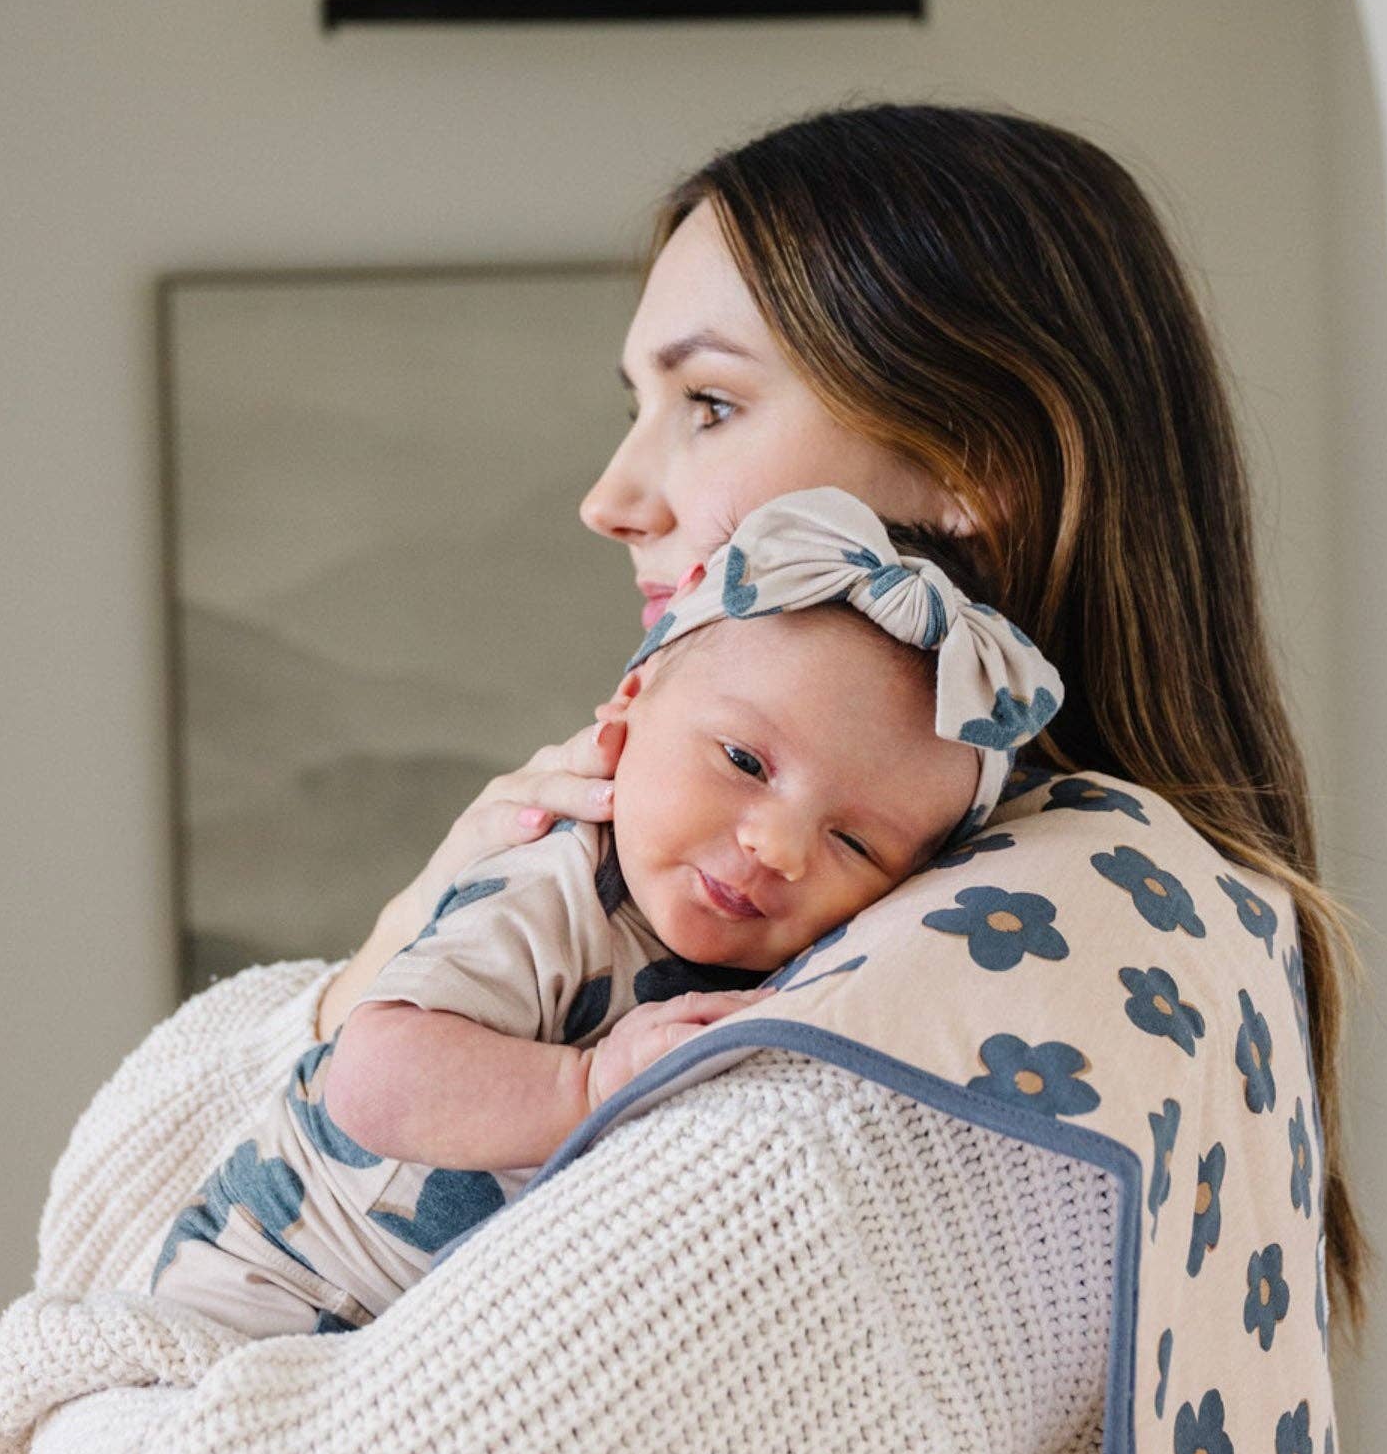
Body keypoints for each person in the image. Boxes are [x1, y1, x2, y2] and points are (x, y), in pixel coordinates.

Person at [0, 100, 1373, 1454]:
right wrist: (384, 983)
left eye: (705, 403)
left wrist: (88, 1385)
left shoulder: (886, 1091)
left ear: (973, 466)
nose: (615, 493)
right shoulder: (1099, 943)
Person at [141, 487, 1061, 1343]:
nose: (779, 847)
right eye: (744, 761)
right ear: (626, 713)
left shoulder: (790, 969)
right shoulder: (556, 891)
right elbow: (373, 1076)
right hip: (268, 1291)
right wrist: (585, 1087)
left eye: (854, 843)